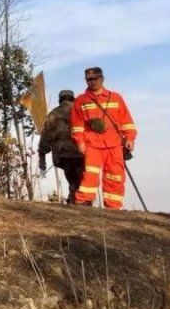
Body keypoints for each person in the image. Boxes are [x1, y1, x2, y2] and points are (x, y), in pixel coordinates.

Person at [70, 67, 137, 209]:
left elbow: (126, 121)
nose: (92, 82)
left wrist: (130, 138)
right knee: (90, 175)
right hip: (92, 144)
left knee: (115, 176)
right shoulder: (80, 101)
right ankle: (83, 202)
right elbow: (77, 125)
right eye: (89, 80)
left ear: (102, 79)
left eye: (95, 79)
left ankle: (113, 207)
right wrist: (80, 141)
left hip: (114, 144)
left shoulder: (116, 98)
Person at [39, 90, 86, 204]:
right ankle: (78, 198)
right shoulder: (81, 112)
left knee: (72, 178)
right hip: (80, 152)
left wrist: (42, 156)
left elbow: (45, 136)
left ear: (60, 100)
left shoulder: (53, 114)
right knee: (81, 178)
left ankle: (74, 196)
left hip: (62, 154)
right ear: (73, 99)